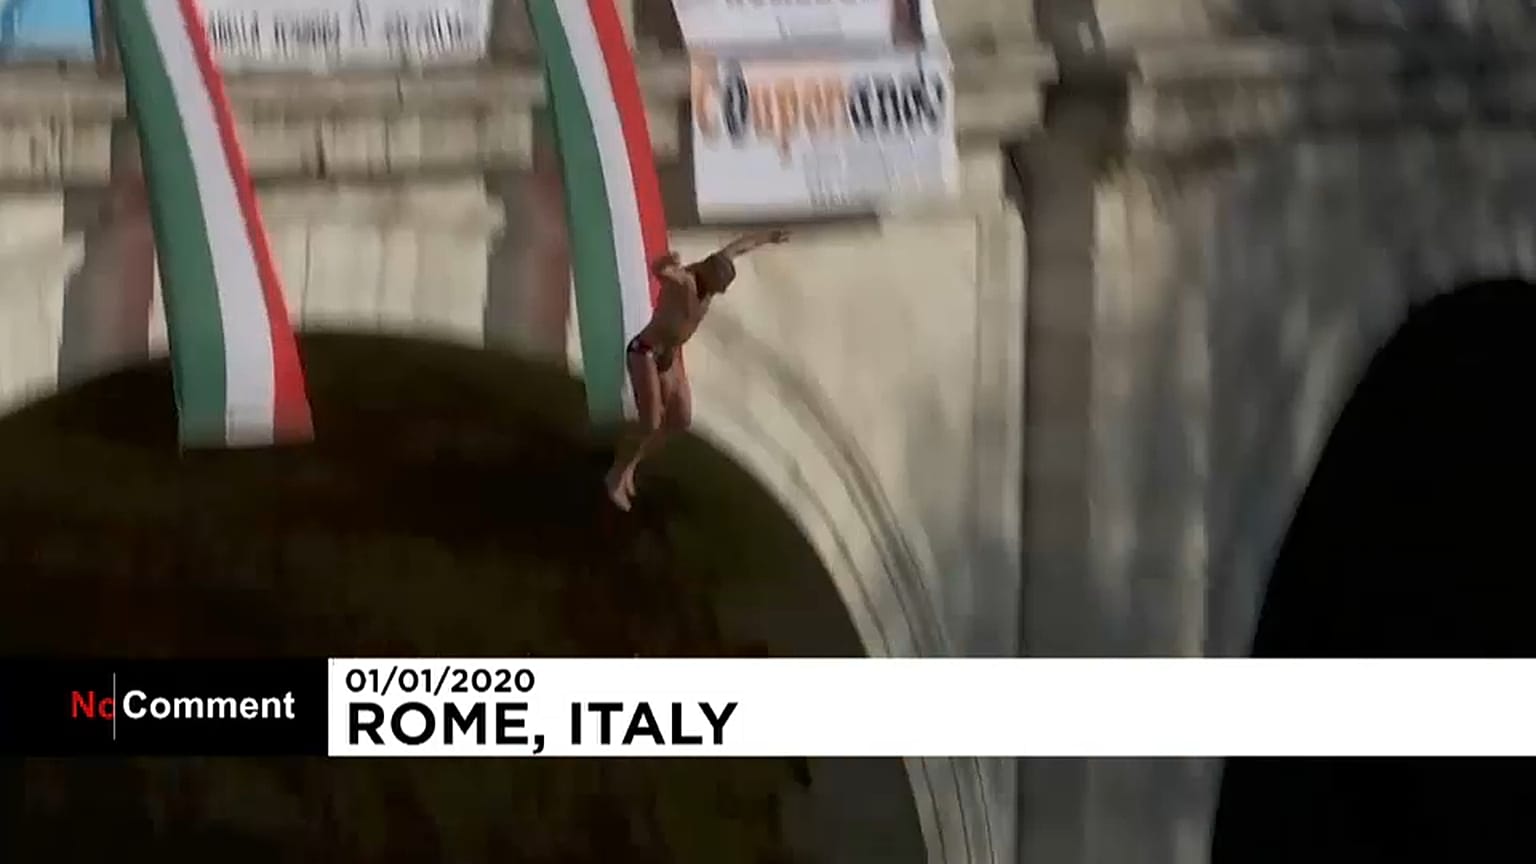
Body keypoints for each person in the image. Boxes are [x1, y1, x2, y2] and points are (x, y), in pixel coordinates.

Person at [604, 228, 791, 511]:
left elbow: (741, 245)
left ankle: (632, 463)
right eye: (715, 288)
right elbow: (660, 271)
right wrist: (666, 262)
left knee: (679, 419)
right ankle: (617, 473)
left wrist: (769, 237)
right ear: (708, 275)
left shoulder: (718, 264)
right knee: (650, 422)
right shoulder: (684, 281)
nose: (714, 294)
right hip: (645, 352)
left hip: (669, 357)